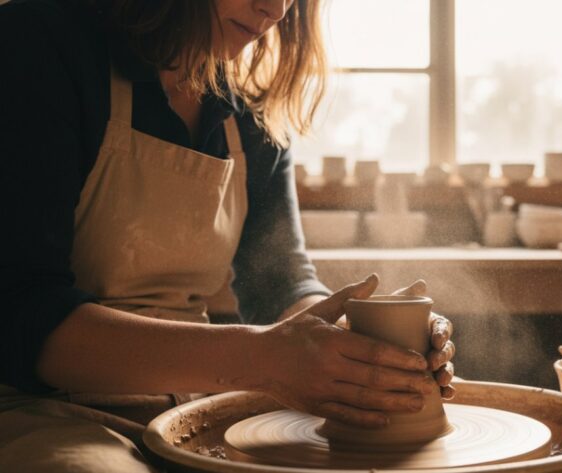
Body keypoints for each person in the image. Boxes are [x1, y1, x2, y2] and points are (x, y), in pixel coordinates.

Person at [0, 0, 455, 470]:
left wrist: (362, 352)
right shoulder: (40, 43)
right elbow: (18, 314)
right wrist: (265, 358)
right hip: (41, 412)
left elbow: (279, 285)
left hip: (187, 411)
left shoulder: (249, 117)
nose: (276, 9)